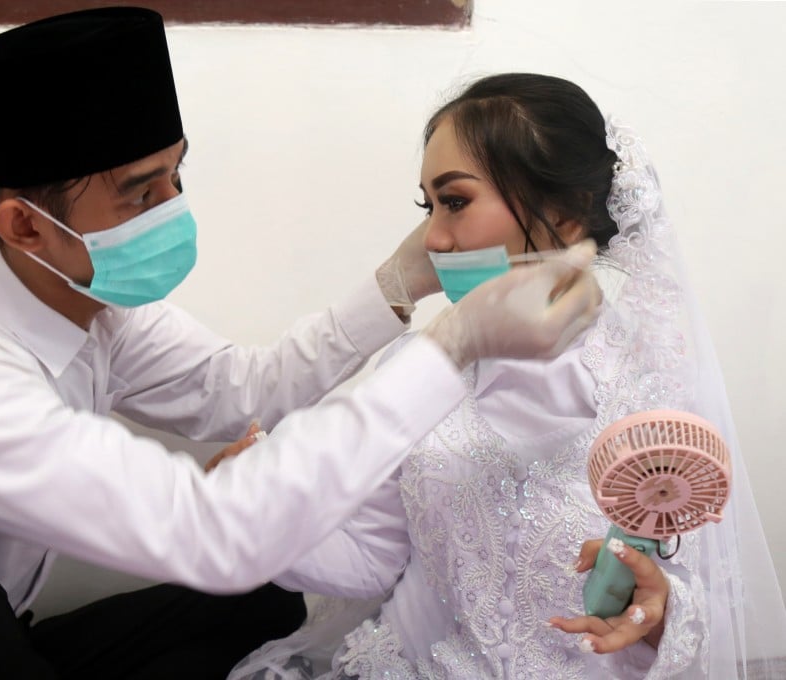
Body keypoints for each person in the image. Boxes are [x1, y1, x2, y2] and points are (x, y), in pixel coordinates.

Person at [0, 10, 602, 680]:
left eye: (176, 176)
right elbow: (216, 534)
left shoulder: (95, 299)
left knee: (265, 602)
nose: (171, 210)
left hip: (7, 633)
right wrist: (452, 346)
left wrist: (400, 284)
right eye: (140, 193)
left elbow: (244, 390)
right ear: (26, 225)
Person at [228, 73, 786, 679]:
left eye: (456, 202)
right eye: (429, 205)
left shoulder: (654, 388)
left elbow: (705, 600)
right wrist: (258, 519)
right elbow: (374, 556)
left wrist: (661, 610)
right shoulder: (423, 372)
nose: (433, 240)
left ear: (567, 216)